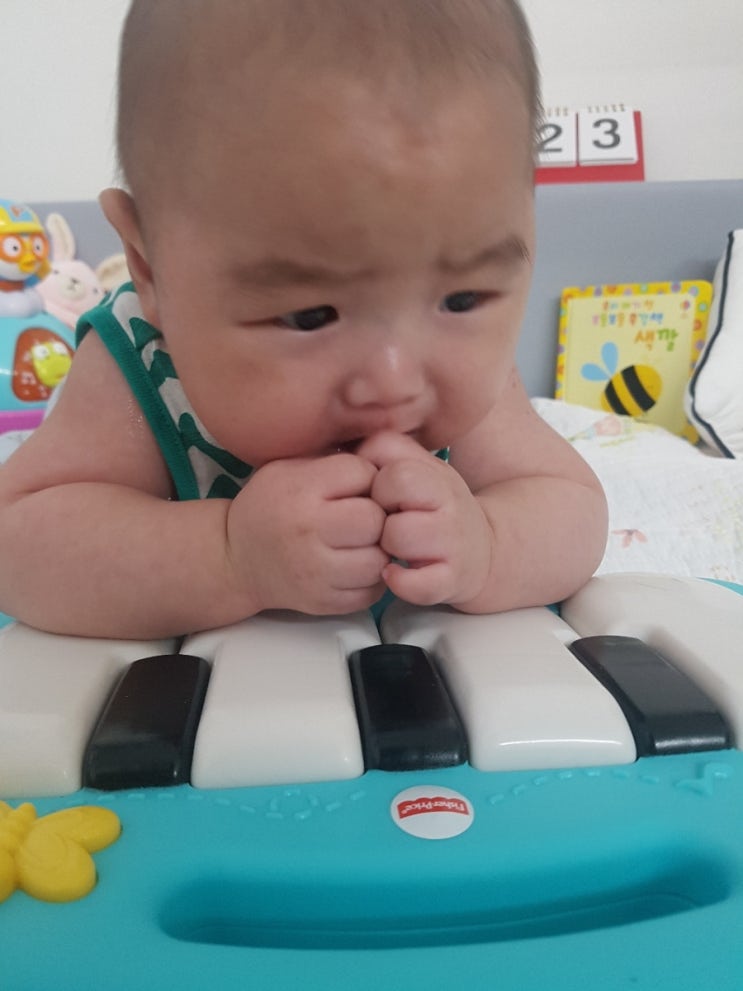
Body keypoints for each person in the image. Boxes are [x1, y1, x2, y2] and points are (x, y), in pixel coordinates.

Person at [0, 0, 607, 639]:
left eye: (462, 300)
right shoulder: (140, 361)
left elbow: (572, 508)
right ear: (149, 268)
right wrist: (230, 556)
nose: (395, 380)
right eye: (309, 315)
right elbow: (21, 545)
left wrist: (490, 542)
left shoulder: (470, 374)